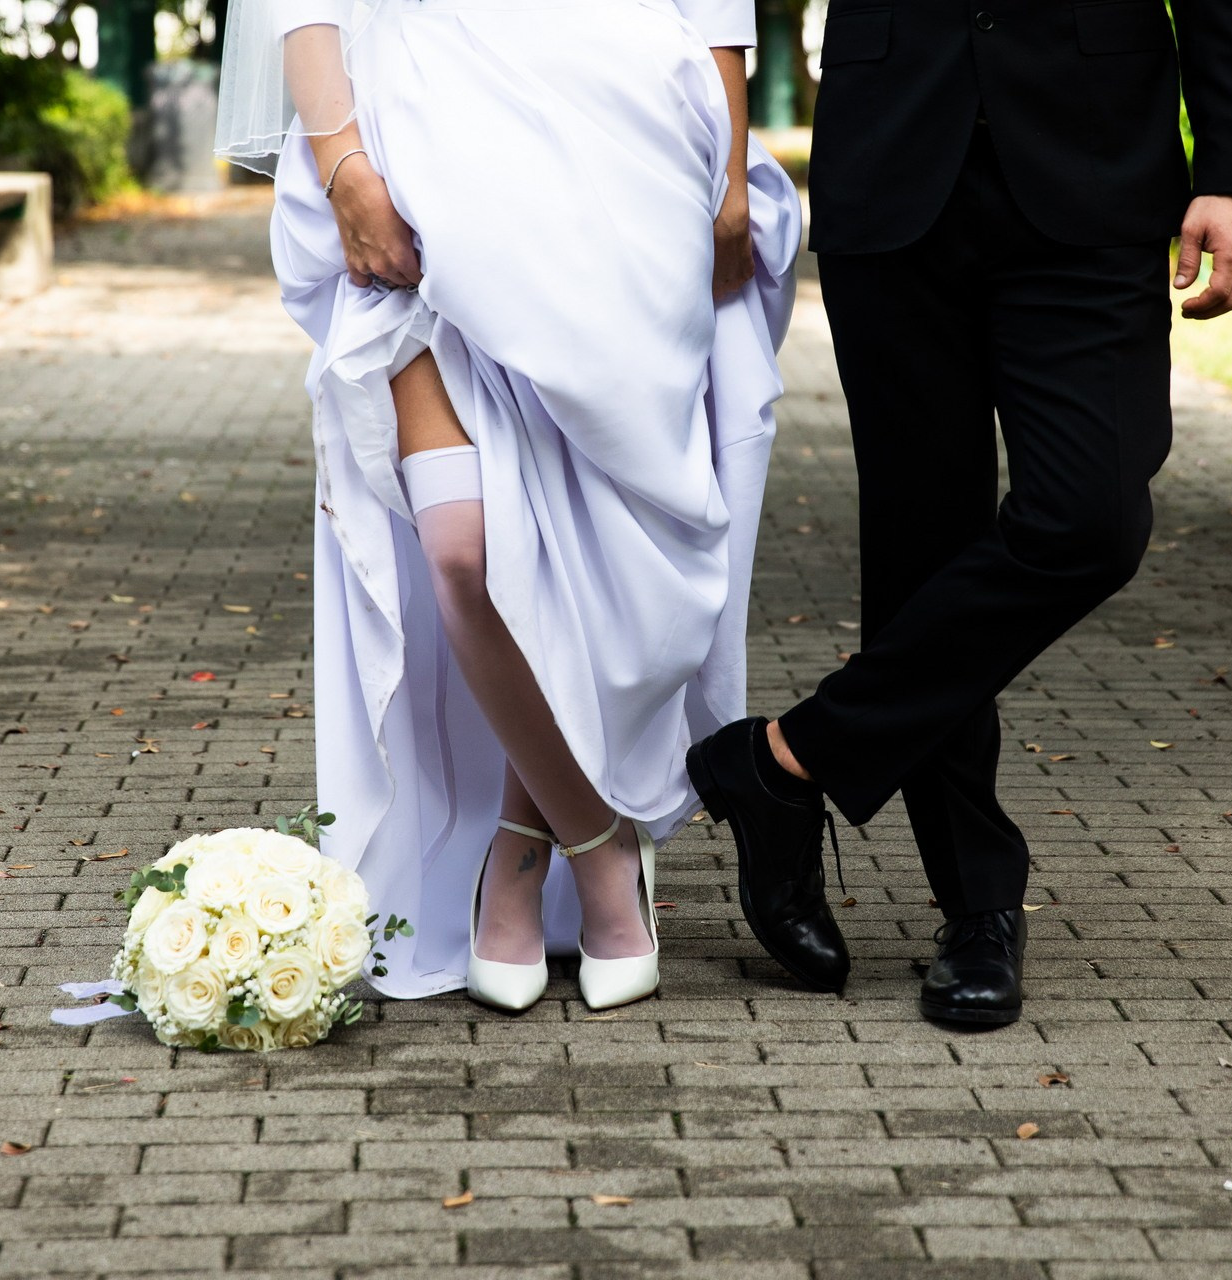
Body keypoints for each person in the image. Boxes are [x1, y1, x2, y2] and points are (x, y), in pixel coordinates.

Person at [687, 0, 1232, 1025]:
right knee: (922, 549)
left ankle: (788, 758)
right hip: (895, 161)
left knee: (1092, 515)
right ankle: (977, 908)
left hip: (1094, 167)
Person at [217, 0, 800, 1011]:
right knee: (463, 549)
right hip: (419, 131)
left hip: (626, 146)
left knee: (593, 536)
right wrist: (346, 161)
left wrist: (731, 160)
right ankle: (602, 842)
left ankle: (522, 842)